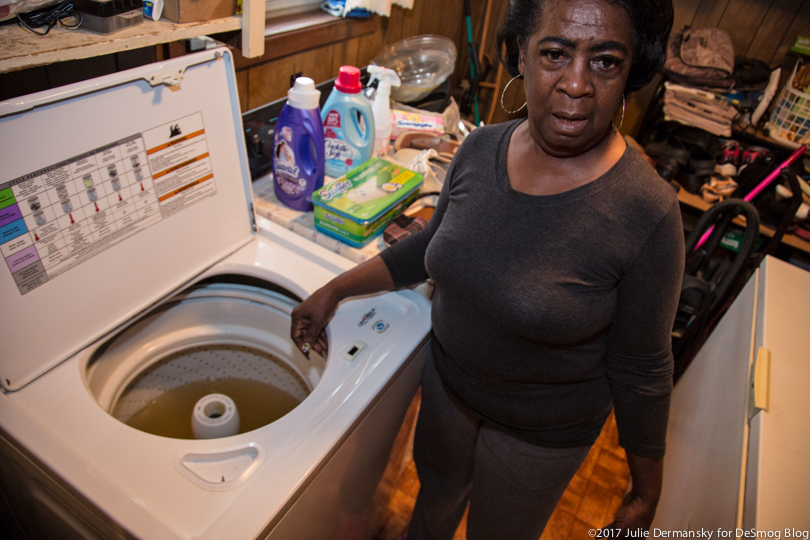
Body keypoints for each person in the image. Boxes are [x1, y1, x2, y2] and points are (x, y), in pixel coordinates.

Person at [290, 0, 683, 538]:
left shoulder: (647, 211)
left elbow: (642, 367)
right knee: (432, 507)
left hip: (539, 433)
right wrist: (335, 291)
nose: (575, 84)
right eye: (554, 53)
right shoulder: (478, 149)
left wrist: (645, 489)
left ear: (630, 72)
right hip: (448, 387)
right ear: (520, 52)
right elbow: (429, 245)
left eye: (605, 61)